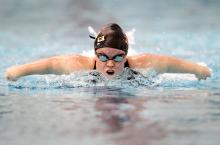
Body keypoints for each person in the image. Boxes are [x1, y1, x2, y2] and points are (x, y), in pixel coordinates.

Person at [5, 23, 211, 81]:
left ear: (126, 56)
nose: (110, 64)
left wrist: (199, 70)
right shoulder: (79, 64)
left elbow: (169, 64)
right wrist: (17, 71)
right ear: (95, 55)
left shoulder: (142, 63)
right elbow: (50, 65)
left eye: (118, 57)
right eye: (103, 57)